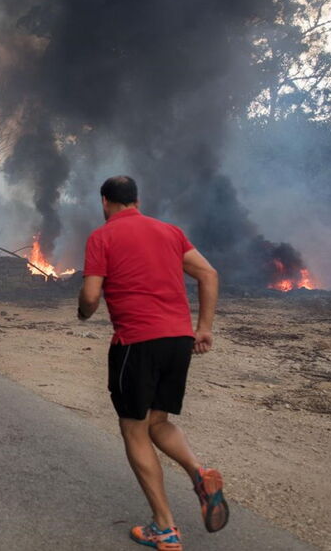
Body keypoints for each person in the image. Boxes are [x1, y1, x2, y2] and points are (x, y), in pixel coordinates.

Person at [77, 176, 227, 551]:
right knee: (158, 421)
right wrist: (204, 328)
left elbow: (91, 296)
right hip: (178, 341)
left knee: (134, 429)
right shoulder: (170, 232)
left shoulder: (102, 237)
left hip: (136, 343)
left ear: (104, 202)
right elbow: (208, 273)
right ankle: (199, 473)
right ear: (137, 201)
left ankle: (165, 528)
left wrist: (83, 311)